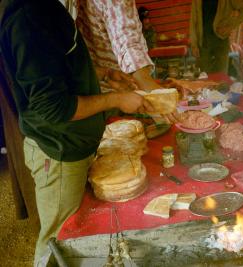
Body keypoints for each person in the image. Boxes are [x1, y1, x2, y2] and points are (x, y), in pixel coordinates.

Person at [0, 0, 152, 266]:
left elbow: (59, 67)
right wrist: (117, 99)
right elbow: (55, 107)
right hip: (58, 152)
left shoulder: (46, 9)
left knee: (75, 235)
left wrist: (104, 74)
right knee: (58, 241)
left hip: (71, 145)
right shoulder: (29, 19)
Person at [66, 0, 177, 123]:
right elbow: (125, 38)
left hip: (103, 89)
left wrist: (106, 74)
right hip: (83, 104)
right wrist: (144, 82)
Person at [190, 0, 243, 74]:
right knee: (206, 79)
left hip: (221, 41)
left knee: (221, 78)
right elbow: (193, 20)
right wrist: (194, 45)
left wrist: (229, 27)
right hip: (204, 43)